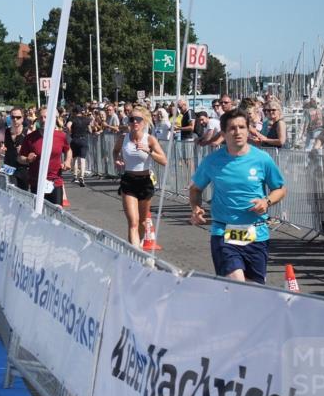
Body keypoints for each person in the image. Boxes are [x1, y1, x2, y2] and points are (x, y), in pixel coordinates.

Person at [189, 109, 287, 285]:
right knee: (237, 285)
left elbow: (280, 189)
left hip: (256, 233)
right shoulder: (212, 161)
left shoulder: (262, 159)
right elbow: (195, 189)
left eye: (242, 127)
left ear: (248, 130)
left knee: (255, 291)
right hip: (223, 232)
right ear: (224, 133)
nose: (238, 132)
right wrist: (196, 208)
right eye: (232, 128)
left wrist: (267, 201)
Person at [113, 108, 167, 247]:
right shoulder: (123, 138)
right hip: (128, 181)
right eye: (132, 119)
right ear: (129, 122)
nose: (135, 122)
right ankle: (134, 255)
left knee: (143, 222)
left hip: (145, 182)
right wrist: (117, 159)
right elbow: (115, 151)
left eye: (138, 119)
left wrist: (148, 151)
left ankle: (140, 243)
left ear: (144, 122)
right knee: (133, 222)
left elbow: (164, 161)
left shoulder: (149, 139)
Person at [16, 106, 72, 206]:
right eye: (41, 117)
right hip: (36, 182)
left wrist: (67, 161)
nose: (43, 120)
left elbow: (68, 150)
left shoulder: (61, 136)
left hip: (55, 181)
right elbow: (20, 158)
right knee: (38, 215)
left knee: (56, 214)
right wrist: (27, 160)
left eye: (46, 117)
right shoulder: (30, 138)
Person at [0, 107, 29, 190]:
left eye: (18, 117)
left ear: (22, 118)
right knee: (11, 191)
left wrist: (25, 151)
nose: (15, 120)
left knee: (23, 192)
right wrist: (0, 147)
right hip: (9, 167)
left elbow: (34, 149)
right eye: (13, 117)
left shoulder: (28, 133)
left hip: (23, 168)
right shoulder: (4, 131)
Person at [67, 105, 92, 186]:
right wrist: (89, 131)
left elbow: (68, 126)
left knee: (74, 158)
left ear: (74, 112)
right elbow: (90, 129)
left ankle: (75, 176)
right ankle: (81, 176)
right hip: (83, 139)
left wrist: (70, 132)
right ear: (81, 112)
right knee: (82, 159)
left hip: (75, 139)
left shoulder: (72, 119)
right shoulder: (86, 119)